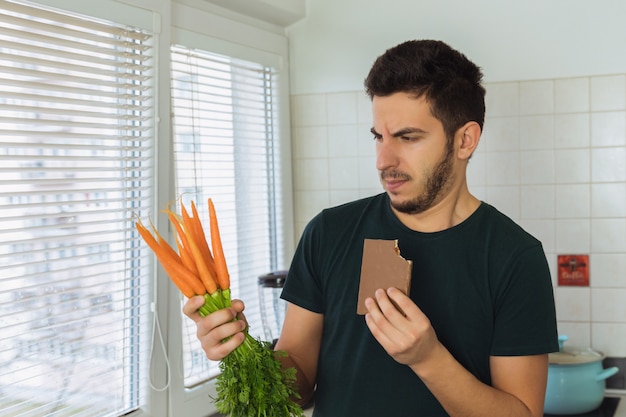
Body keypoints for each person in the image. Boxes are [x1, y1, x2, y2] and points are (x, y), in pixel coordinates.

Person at [184, 39, 559, 417]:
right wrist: (242, 350)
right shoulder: (328, 233)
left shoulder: (514, 257)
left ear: (465, 140)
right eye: (379, 137)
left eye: (408, 137)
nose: (384, 160)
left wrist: (428, 359)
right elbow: (298, 389)